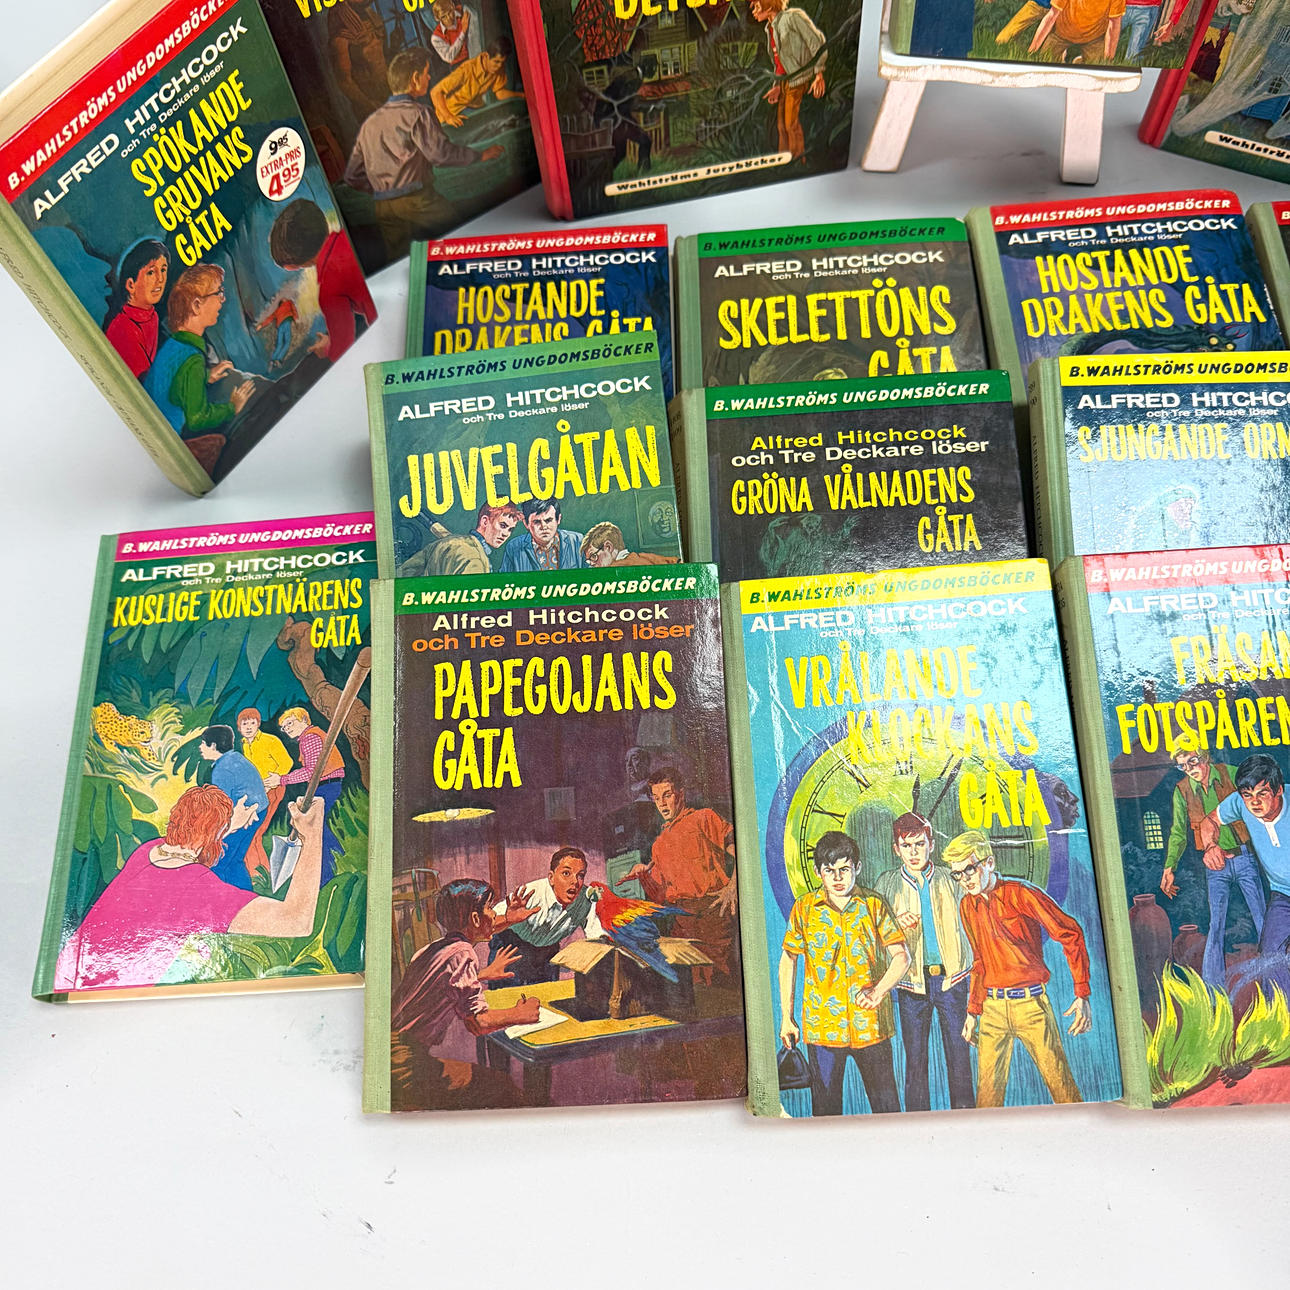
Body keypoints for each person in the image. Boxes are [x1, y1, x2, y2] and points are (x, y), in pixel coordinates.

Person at [54, 788, 327, 991]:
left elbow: (192, 842)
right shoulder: (197, 889)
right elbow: (296, 921)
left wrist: (226, 825)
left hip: (67, 972)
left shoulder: (148, 851)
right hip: (106, 994)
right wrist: (313, 837)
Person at [947, 831, 1091, 1107]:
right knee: (987, 1100)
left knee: (1063, 1091)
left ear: (989, 863)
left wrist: (1081, 993)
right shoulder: (967, 906)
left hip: (1030, 1006)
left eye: (969, 869)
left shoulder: (1020, 893)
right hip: (992, 1010)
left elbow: (1070, 933)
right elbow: (980, 961)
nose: (964, 879)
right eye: (957, 874)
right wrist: (973, 1011)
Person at [779, 830, 908, 1115]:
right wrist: (786, 1018)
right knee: (825, 1114)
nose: (838, 878)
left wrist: (879, 991)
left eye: (844, 869)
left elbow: (902, 957)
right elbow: (788, 959)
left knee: (887, 1110)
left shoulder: (874, 905)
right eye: (829, 871)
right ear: (818, 872)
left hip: (871, 1026)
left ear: (857, 868)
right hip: (823, 1029)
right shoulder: (804, 909)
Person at [390, 877, 541, 1110]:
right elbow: (477, 1023)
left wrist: (482, 974)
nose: (495, 913)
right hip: (404, 1064)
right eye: (490, 908)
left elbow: (444, 985)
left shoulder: (431, 950)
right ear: (475, 918)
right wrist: (521, 1014)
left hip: (389, 1053)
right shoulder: (464, 954)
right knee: (501, 1087)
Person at [344, 46, 504, 262]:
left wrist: (383, 189)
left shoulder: (369, 124)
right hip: (418, 201)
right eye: (427, 73)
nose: (429, 78)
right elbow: (442, 155)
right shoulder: (419, 114)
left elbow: (352, 176)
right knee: (459, 239)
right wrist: (480, 155)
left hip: (383, 207)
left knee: (399, 260)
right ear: (415, 79)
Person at [874, 812, 976, 1111]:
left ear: (931, 844)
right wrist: (894, 923)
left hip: (952, 981)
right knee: (915, 1061)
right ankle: (917, 1119)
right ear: (896, 849)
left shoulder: (950, 878)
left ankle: (966, 1117)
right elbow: (872, 933)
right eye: (906, 846)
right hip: (911, 985)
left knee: (960, 1058)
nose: (914, 852)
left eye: (920, 844)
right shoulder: (887, 883)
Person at [1160, 737, 1266, 986]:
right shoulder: (1182, 791)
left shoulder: (1231, 774)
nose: (1189, 769)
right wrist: (1169, 867)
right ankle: (1213, 990)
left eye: (1192, 761)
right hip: (1214, 866)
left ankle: (1279, 979)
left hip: (1244, 856)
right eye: (1182, 766)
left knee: (1262, 918)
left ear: (1204, 756)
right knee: (1216, 925)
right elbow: (1178, 832)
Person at [622, 769, 737, 977]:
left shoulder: (704, 818)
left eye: (667, 795)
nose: (662, 804)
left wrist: (733, 886)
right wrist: (643, 876)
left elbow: (742, 851)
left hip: (712, 915)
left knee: (719, 980)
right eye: (656, 798)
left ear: (681, 794)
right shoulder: (659, 844)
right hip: (682, 921)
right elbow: (661, 897)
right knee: (690, 983)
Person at [141, 264, 253, 474]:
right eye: (218, 293)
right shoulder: (193, 360)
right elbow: (197, 418)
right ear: (196, 305)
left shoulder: (175, 344)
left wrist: (206, 376)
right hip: (171, 444)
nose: (223, 299)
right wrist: (232, 407)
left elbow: (174, 384)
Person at [268, 199, 376, 361]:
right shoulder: (352, 233)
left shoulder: (330, 290)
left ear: (292, 266)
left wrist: (326, 348)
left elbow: (342, 350)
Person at [1206, 754, 1290, 959]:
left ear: (1279, 790)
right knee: (1271, 958)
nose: (1255, 802)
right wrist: (1211, 846)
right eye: (1247, 795)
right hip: (1282, 893)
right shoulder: (1240, 803)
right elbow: (1210, 821)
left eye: (1262, 793)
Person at [486, 848, 606, 985]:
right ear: (551, 878)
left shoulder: (585, 900)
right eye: (566, 873)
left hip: (547, 950)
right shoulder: (531, 893)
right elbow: (489, 924)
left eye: (580, 875)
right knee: (506, 995)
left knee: (547, 994)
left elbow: (597, 937)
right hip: (511, 944)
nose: (575, 881)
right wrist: (508, 920)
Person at [273, 707, 346, 885]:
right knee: (314, 825)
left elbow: (312, 772)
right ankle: (336, 852)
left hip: (327, 785)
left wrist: (282, 779)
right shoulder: (308, 737)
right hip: (327, 784)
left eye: (290, 723)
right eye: (284, 727)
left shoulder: (310, 738)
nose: (287, 728)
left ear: (304, 720)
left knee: (313, 828)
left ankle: (327, 872)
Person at [750, 0, 827, 161]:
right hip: (784, 81)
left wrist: (819, 74)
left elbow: (816, 41)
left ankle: (798, 160)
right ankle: (784, 161)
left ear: (769, 6)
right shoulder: (770, 28)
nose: (754, 12)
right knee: (781, 126)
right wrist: (777, 86)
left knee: (790, 124)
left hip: (798, 78)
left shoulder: (792, 17)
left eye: (757, 7)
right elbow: (779, 63)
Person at [197, 725, 269, 890]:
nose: (200, 748)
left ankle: (219, 896)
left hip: (246, 816)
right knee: (235, 859)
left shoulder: (222, 769)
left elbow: (223, 808)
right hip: (257, 812)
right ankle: (245, 895)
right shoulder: (235, 758)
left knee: (218, 860)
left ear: (213, 745)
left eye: (203, 743)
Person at [397, 502, 522, 577]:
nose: (506, 534)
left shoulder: (446, 544)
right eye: (503, 525)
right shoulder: (475, 559)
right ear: (485, 521)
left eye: (510, 530)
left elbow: (402, 574)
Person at [238, 708, 294, 874]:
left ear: (258, 724)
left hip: (272, 790)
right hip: (255, 792)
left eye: (252, 723)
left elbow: (287, 763)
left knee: (254, 832)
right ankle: (258, 872)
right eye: (245, 724)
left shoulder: (270, 740)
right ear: (239, 727)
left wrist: (271, 782)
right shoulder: (244, 744)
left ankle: (258, 873)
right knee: (251, 833)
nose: (249, 727)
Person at [103, 239, 168, 378]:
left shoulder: (152, 316)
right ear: (131, 285)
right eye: (151, 272)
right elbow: (143, 380)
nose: (160, 279)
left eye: (163, 270)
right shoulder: (124, 328)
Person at [429, 39, 524, 128]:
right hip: (453, 113)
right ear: (486, 56)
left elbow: (500, 93)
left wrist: (522, 95)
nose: (499, 66)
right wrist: (448, 117)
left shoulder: (498, 68)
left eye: (502, 63)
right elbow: (435, 92)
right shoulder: (466, 70)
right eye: (496, 62)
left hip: (473, 109)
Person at [327, 0, 388, 122]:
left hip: (389, 93)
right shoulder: (340, 32)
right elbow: (344, 81)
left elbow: (382, 57)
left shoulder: (370, 15)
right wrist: (370, 106)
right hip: (372, 106)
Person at [498, 499, 586, 573]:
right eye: (537, 522)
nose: (544, 526)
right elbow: (504, 581)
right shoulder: (514, 548)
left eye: (548, 520)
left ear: (558, 519)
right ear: (526, 523)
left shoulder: (577, 541)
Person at [1030, 0, 1126, 63]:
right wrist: (1032, 50)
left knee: (1096, 68)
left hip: (1094, 38)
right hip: (1061, 33)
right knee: (1044, 60)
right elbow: (1051, 16)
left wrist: (1108, 60)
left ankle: (1080, 61)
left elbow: (1114, 25)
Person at [580, 522, 679, 568]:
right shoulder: (646, 557)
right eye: (588, 560)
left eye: (593, 556)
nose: (591, 563)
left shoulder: (613, 571)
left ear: (608, 547)